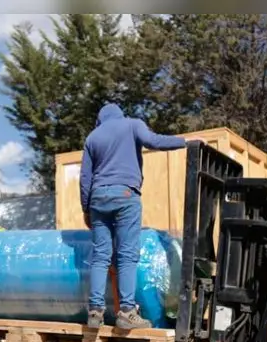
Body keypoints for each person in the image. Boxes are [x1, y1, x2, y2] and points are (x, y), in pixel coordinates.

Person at [80, 102, 188, 330]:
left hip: (98, 198)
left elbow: (85, 178)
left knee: (101, 256)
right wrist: (185, 142)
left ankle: (95, 311)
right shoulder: (132, 125)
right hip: (125, 194)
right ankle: (127, 312)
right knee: (127, 256)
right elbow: (154, 141)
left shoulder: (92, 137)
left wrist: (86, 209)